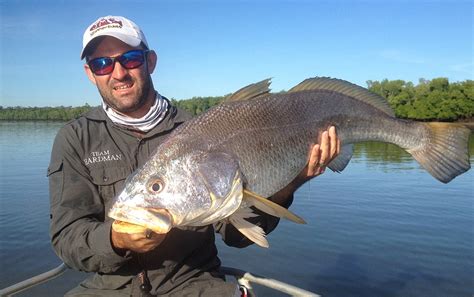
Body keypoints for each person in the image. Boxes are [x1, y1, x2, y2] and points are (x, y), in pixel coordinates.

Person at [48, 15, 340, 297]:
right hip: (109, 288)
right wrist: (115, 240)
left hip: (197, 283)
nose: (119, 72)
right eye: (101, 64)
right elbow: (67, 238)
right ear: (90, 74)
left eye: (131, 59)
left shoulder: (199, 129)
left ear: (150, 61)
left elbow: (236, 237)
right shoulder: (75, 138)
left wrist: (292, 182)